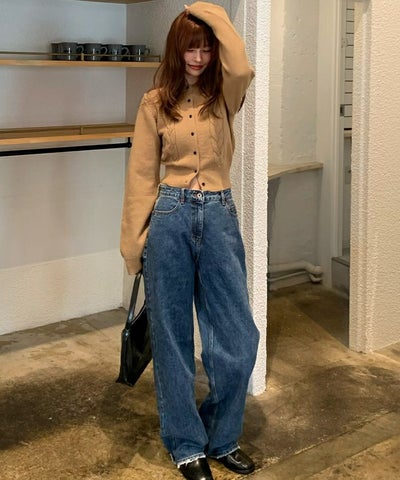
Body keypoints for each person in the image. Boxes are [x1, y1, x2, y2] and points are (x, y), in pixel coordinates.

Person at [120, 2, 260, 480]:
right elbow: (141, 176)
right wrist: (133, 245)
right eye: (189, 48)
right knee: (172, 338)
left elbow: (241, 64)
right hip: (169, 218)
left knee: (237, 338)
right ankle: (185, 444)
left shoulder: (226, 96)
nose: (198, 58)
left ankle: (221, 437)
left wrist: (202, 11)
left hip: (219, 217)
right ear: (175, 51)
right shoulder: (154, 103)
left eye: (205, 48)